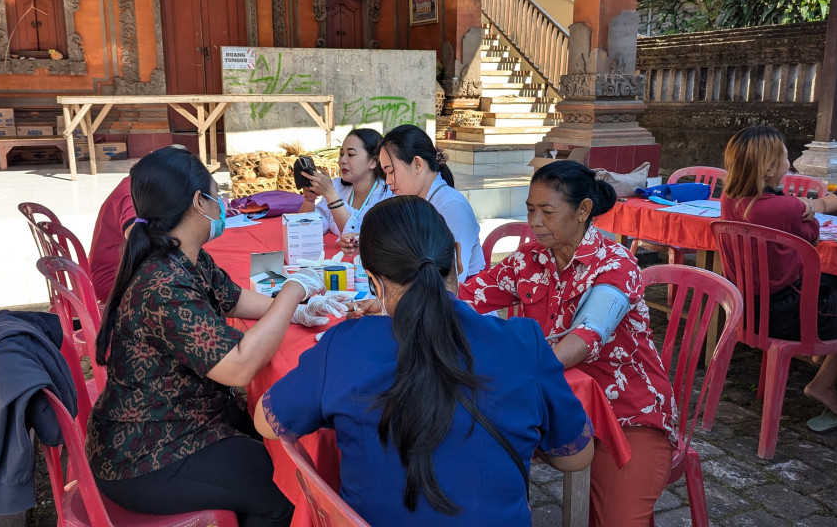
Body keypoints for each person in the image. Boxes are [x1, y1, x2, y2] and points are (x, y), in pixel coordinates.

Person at [254, 196, 594, 526]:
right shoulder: (523, 342)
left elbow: (267, 423)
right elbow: (576, 456)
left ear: (373, 282)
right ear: (458, 259)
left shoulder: (343, 347)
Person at [86, 146, 341, 527]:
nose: (222, 202)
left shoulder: (182, 256)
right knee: (284, 491)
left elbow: (236, 299)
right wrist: (293, 292)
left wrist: (298, 309)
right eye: (216, 193)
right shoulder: (163, 284)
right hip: (147, 452)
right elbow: (239, 368)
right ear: (198, 203)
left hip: (183, 420)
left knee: (274, 456)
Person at [458, 160, 677, 527]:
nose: (535, 222)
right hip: (554, 403)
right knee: (474, 468)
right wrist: (393, 299)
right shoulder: (530, 260)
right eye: (530, 210)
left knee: (620, 520)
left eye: (547, 211)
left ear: (583, 211)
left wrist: (526, 371)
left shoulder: (615, 264)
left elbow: (585, 336)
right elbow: (469, 294)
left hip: (627, 412)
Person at [720, 125, 837, 431]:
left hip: (749, 312)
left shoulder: (728, 199)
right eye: (786, 157)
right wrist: (801, 207)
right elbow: (812, 234)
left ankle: (831, 359)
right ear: (769, 166)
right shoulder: (786, 207)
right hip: (792, 313)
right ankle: (825, 382)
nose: (789, 164)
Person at [377, 125, 484, 281]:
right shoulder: (414, 201)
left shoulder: (452, 207)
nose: (388, 181)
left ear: (418, 165)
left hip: (462, 300)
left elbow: (453, 281)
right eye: (385, 174)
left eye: (391, 171)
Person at [297, 128, 394, 254]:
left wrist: (331, 195)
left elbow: (360, 238)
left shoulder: (388, 194)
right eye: (341, 154)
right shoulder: (337, 186)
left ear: (373, 161)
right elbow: (305, 232)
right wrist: (309, 199)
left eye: (351, 154)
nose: (342, 160)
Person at [88, 176, 135, 302]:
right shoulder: (132, 193)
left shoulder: (129, 183)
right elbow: (135, 234)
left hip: (105, 275)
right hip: (111, 282)